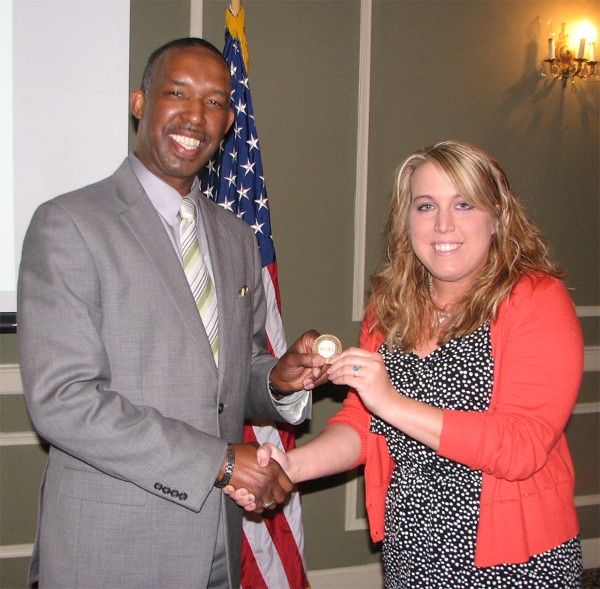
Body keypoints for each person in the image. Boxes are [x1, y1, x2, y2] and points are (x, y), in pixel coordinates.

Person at [17, 37, 327, 589]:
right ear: (140, 102)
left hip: (219, 544)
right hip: (112, 547)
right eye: (177, 93)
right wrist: (222, 462)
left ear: (229, 120)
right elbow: (62, 401)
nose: (195, 116)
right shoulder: (69, 224)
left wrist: (277, 379)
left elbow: (236, 375)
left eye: (214, 102)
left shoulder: (236, 239)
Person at [229, 141, 584, 588]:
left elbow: (521, 446)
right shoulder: (391, 304)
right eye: (425, 206)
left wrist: (391, 401)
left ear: (496, 216)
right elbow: (363, 422)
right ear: (406, 218)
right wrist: (287, 467)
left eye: (464, 204)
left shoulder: (534, 299)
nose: (443, 225)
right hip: (411, 550)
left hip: (514, 563)